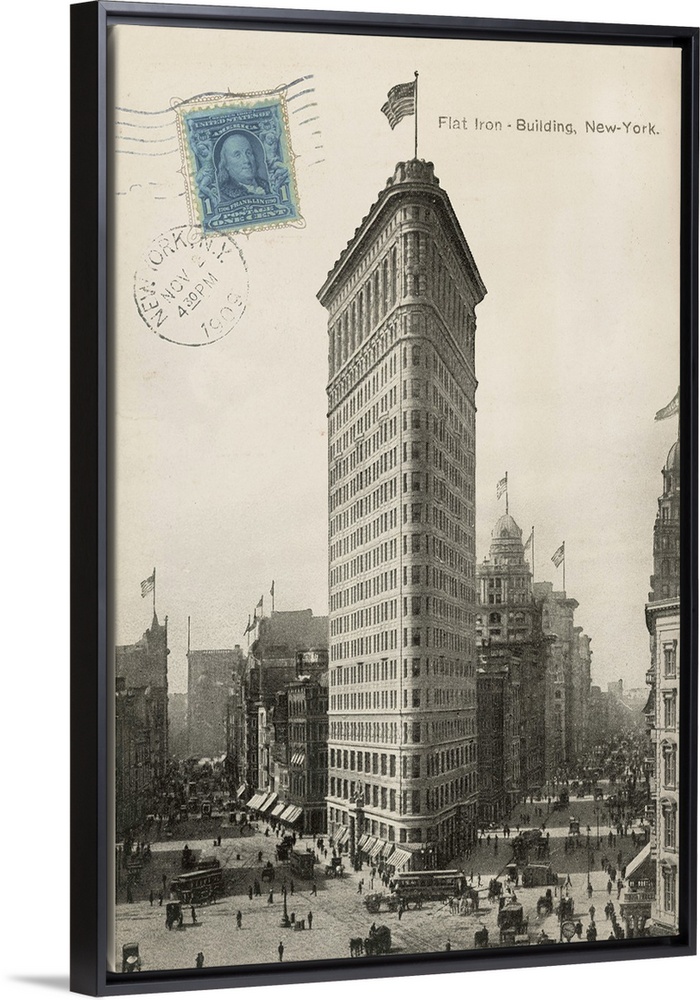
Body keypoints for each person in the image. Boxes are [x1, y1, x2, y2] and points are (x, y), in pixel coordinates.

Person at [217, 133, 271, 203]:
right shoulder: (223, 196)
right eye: (237, 155)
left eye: (248, 153)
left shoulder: (267, 185)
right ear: (226, 164)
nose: (247, 160)